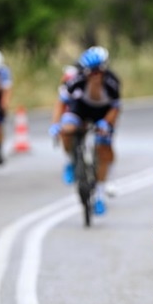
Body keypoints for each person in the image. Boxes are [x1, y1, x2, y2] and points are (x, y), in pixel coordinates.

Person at [49, 46, 121, 215]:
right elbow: (61, 103)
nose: (95, 76)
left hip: (103, 113)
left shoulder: (112, 83)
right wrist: (55, 124)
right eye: (91, 72)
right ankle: (71, 161)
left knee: (104, 147)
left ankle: (100, 195)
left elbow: (115, 108)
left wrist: (106, 123)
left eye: (98, 72)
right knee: (67, 130)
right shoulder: (76, 81)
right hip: (80, 110)